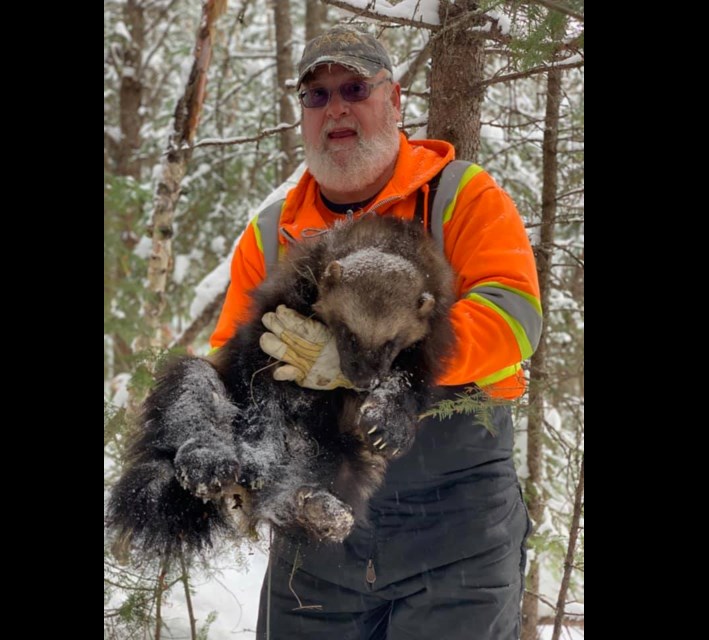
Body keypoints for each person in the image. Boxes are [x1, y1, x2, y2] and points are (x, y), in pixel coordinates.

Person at [208, 25, 541, 640]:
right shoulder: (274, 230)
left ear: (394, 100)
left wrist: (378, 366)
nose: (335, 107)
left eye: (354, 87)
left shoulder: (460, 196)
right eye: (317, 96)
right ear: (303, 116)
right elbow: (229, 357)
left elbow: (514, 317)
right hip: (320, 523)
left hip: (458, 524)